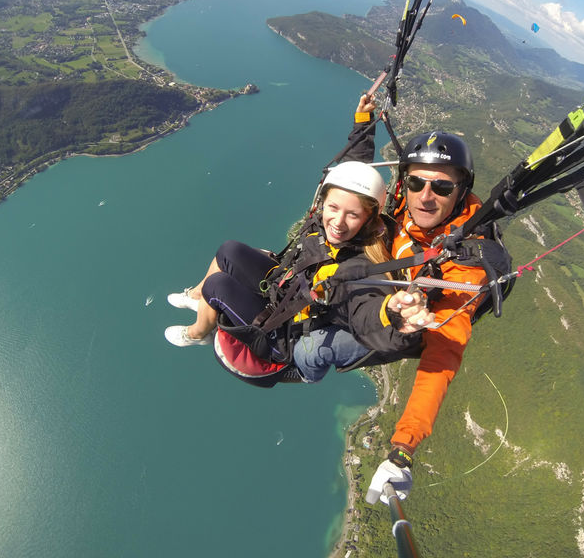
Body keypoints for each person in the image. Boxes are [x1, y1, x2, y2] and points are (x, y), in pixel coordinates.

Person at [337, 101, 495, 505]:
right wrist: (363, 126)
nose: (425, 197)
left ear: (461, 192)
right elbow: (358, 186)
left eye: (441, 188)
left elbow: (444, 352)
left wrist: (403, 448)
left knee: (318, 350)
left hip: (407, 323)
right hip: (387, 294)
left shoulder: (464, 267)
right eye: (416, 183)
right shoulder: (402, 203)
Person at [164, 159, 435, 387]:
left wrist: (390, 311)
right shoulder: (327, 225)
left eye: (352, 215)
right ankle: (196, 298)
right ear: (323, 202)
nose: (338, 222)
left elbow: (364, 309)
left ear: (367, 219)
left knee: (217, 286)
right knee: (229, 250)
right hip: (285, 289)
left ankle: (198, 333)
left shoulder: (357, 268)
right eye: (333, 208)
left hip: (282, 335)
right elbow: (355, 169)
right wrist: (363, 123)